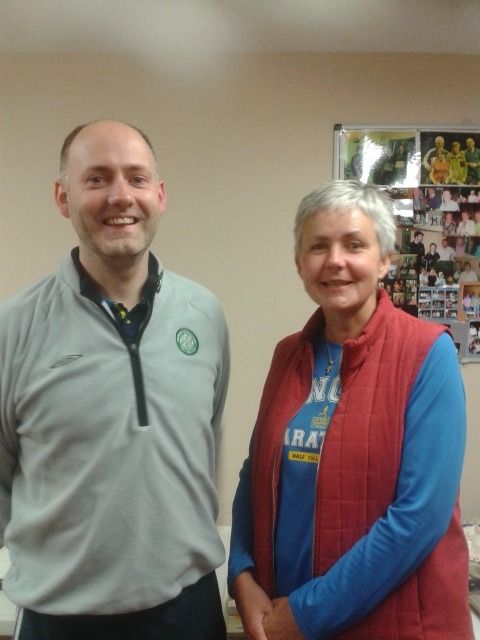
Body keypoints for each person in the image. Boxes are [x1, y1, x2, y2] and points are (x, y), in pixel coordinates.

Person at [0, 120, 230, 640]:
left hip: (188, 613)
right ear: (63, 197)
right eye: (97, 178)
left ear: (159, 195)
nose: (121, 196)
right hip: (61, 619)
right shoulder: (13, 327)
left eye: (137, 178)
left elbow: (205, 445)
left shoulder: (204, 315)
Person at [228, 180, 472, 640]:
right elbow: (254, 472)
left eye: (354, 245)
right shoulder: (288, 354)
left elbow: (418, 518)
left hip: (394, 628)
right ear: (299, 263)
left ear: (385, 260)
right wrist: (241, 574)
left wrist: (306, 614)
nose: (335, 260)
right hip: (280, 615)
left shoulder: (427, 353)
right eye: (318, 246)